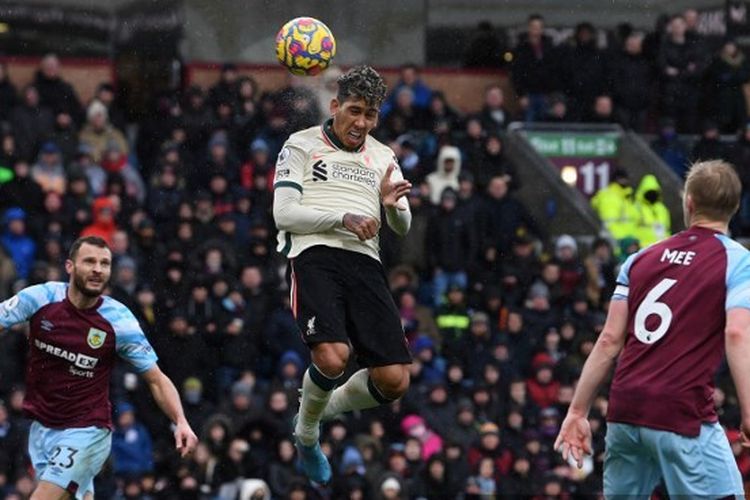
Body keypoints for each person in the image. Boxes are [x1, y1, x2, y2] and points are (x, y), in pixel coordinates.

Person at [555, 160, 749, 497]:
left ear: (688, 202)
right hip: (681, 413)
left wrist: (577, 410)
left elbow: (609, 340)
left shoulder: (641, 258)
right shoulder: (737, 260)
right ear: (734, 206)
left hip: (625, 410)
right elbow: (736, 333)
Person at [272, 66, 413, 484]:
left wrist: (389, 206)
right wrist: (343, 218)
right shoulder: (300, 145)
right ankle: (307, 432)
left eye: (371, 115)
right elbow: (283, 213)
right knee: (332, 357)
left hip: (365, 263)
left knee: (394, 381)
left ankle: (314, 409)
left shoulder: (384, 156)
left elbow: (403, 225)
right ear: (335, 106)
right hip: (315, 254)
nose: (362, 123)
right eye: (354, 111)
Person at [0, 236, 198, 499]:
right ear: (70, 267)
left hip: (87, 430)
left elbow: (156, 379)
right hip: (42, 427)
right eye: (90, 261)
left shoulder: (120, 321)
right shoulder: (42, 297)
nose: (98, 269)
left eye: (105, 263)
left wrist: (180, 421)